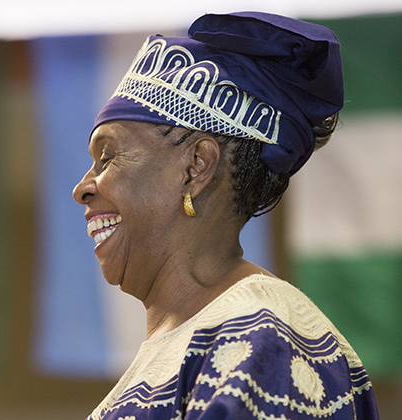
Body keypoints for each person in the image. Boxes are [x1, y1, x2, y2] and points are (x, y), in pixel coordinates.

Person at [72, 11, 379, 419]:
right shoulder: (202, 335)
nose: (82, 188)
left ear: (196, 166)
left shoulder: (260, 338)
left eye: (107, 156)